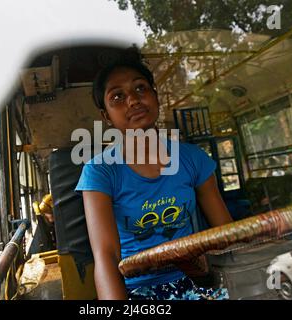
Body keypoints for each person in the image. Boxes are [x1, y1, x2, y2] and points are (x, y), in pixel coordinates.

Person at [75, 54, 233, 300]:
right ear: (106, 116)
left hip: (196, 280)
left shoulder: (192, 158)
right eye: (117, 96)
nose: (133, 100)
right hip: (138, 288)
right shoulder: (101, 170)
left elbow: (226, 234)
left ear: (156, 96)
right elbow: (106, 257)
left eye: (140, 88)